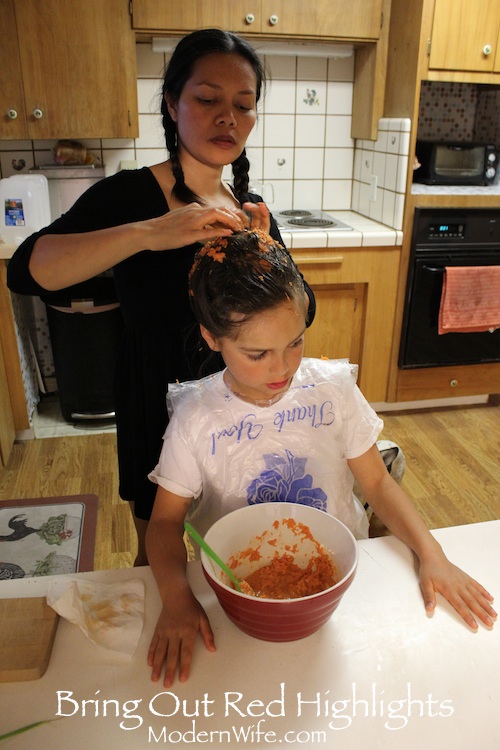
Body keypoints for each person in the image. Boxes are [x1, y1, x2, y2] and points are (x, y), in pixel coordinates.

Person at [6, 29, 315, 565]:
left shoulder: (249, 206)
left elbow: (302, 308)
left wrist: (270, 254)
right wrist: (149, 232)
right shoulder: (130, 194)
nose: (228, 118)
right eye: (207, 99)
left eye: (244, 105)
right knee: (161, 552)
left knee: (240, 547)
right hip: (159, 397)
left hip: (241, 401)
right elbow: (29, 271)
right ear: (172, 104)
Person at [146, 227, 496, 688]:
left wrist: (432, 554)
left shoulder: (331, 391)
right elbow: (166, 524)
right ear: (213, 339)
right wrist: (176, 598)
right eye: (257, 353)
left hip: (344, 581)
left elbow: (377, 485)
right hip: (240, 594)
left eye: (295, 342)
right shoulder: (197, 419)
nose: (282, 367)